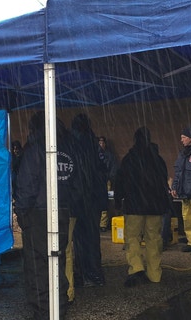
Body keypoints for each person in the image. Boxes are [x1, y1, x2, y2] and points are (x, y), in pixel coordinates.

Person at [14, 112, 78, 319]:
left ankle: (43, 311)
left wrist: (22, 213)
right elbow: (75, 183)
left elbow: (27, 184)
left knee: (38, 266)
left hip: (38, 214)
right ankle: (58, 307)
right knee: (57, 261)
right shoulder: (66, 149)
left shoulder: (36, 149)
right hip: (62, 211)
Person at [114, 127, 169, 287]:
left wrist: (118, 201)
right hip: (155, 207)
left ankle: (136, 269)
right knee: (154, 239)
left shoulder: (129, 159)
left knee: (132, 238)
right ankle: (154, 274)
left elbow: (120, 182)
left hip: (134, 207)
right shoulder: (158, 160)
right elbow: (163, 183)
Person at [70, 114, 106, 289]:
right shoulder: (94, 143)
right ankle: (94, 273)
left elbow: (78, 174)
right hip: (94, 199)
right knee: (92, 237)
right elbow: (101, 170)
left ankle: (84, 273)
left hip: (80, 200)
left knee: (79, 239)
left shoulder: (74, 144)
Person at [171, 126, 191, 255]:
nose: (181, 140)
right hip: (184, 192)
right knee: (188, 218)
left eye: (183, 137)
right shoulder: (183, 153)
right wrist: (174, 187)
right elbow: (178, 171)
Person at [98, 136, 119, 232]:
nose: (101, 144)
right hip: (97, 181)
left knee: (104, 203)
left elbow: (114, 168)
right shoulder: (95, 154)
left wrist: (109, 178)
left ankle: (103, 224)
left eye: (103, 142)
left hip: (106, 181)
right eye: (99, 142)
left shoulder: (109, 155)